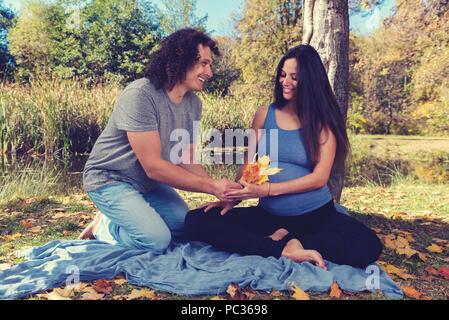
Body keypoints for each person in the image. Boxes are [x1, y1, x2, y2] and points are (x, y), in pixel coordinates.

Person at [185, 45, 383, 269]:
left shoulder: (323, 124)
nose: (285, 81)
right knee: (196, 220)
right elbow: (249, 168)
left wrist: (267, 190)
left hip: (315, 216)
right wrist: (232, 197)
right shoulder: (263, 114)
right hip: (269, 215)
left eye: (294, 77)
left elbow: (319, 178)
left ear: (310, 81)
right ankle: (280, 248)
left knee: (369, 245)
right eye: (283, 74)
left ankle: (297, 241)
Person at [78, 29, 242, 253]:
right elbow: (154, 167)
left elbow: (185, 158)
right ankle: (105, 227)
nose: (209, 72)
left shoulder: (194, 104)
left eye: (210, 64)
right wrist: (213, 186)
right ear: (181, 57)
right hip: (109, 178)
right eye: (204, 63)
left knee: (186, 226)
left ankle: (126, 215)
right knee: (156, 241)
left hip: (147, 184)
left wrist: (219, 191)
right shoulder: (140, 94)